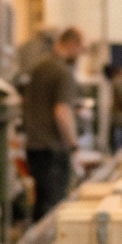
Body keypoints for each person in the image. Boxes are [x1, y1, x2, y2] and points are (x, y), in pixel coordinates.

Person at [21, 26, 85, 219]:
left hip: (34, 148)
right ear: (72, 45)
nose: (80, 55)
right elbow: (62, 112)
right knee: (54, 209)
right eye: (81, 50)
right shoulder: (62, 72)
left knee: (42, 205)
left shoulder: (40, 68)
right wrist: (74, 145)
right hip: (53, 150)